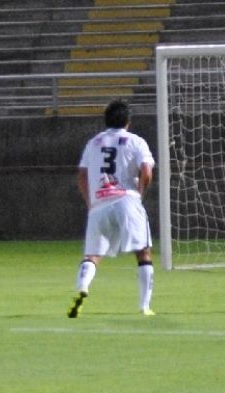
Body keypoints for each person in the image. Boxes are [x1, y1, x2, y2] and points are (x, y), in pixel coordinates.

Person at [68, 100, 156, 318]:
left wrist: (90, 202)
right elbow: (146, 171)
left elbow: (82, 175)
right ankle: (144, 306)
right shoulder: (136, 141)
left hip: (99, 204)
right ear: (128, 121)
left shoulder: (93, 143)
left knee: (93, 255)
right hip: (127, 199)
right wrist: (140, 193)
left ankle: (82, 287)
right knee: (143, 252)